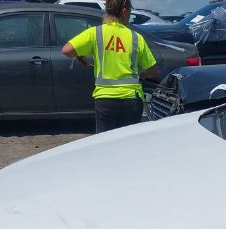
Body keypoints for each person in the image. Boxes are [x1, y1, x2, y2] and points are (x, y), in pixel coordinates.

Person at [61, 0, 159, 133]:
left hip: (105, 99)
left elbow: (67, 50)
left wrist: (81, 55)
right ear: (124, 12)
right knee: (129, 142)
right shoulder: (136, 38)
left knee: (105, 144)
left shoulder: (95, 33)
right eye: (130, 12)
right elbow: (153, 71)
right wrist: (142, 74)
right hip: (131, 99)